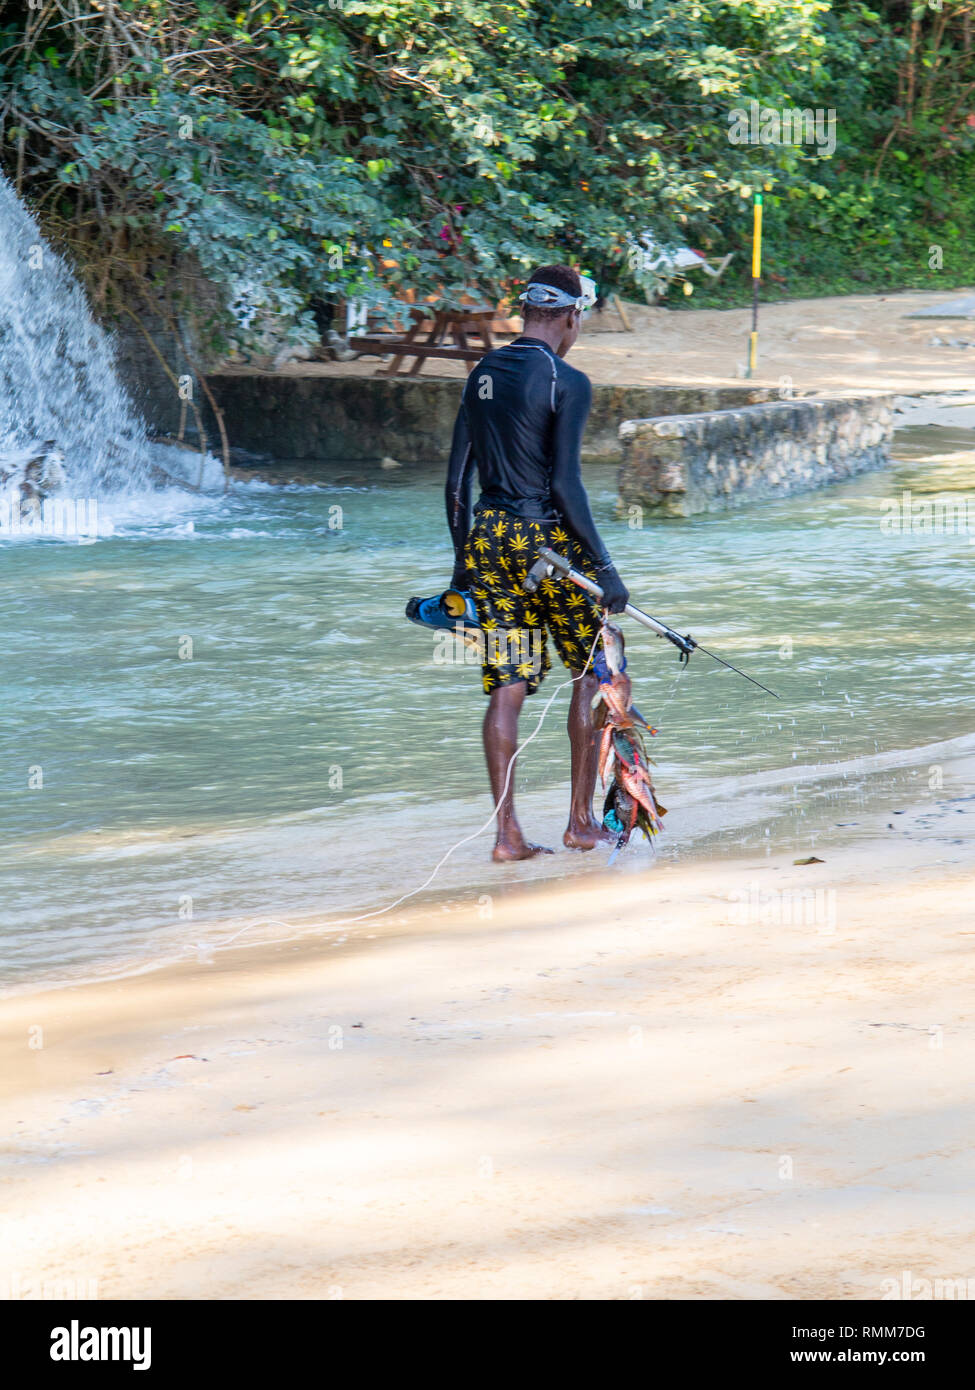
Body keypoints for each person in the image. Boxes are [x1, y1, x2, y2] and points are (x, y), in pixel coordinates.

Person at [445, 264, 630, 861]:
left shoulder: (481, 375)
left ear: (528, 311)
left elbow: (455, 489)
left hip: (489, 540)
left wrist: (460, 575)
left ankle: (508, 837)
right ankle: (580, 823)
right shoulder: (566, 379)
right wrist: (604, 570)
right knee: (588, 675)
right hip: (549, 545)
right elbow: (567, 486)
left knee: (508, 686)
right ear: (573, 315)